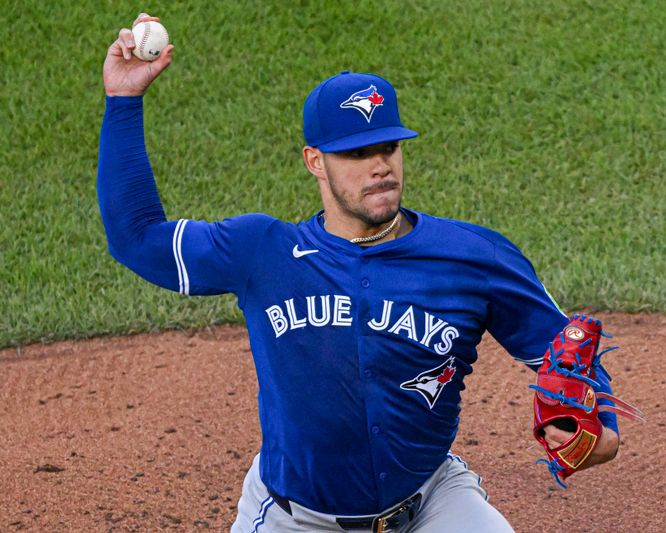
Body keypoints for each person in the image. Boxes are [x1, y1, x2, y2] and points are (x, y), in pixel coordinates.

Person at [99, 13, 620, 533]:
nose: (380, 167)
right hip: (294, 519)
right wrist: (124, 103)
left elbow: (567, 355)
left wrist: (599, 430)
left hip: (430, 502)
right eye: (356, 153)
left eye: (389, 147)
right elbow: (138, 238)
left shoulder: (473, 256)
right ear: (314, 161)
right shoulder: (262, 251)